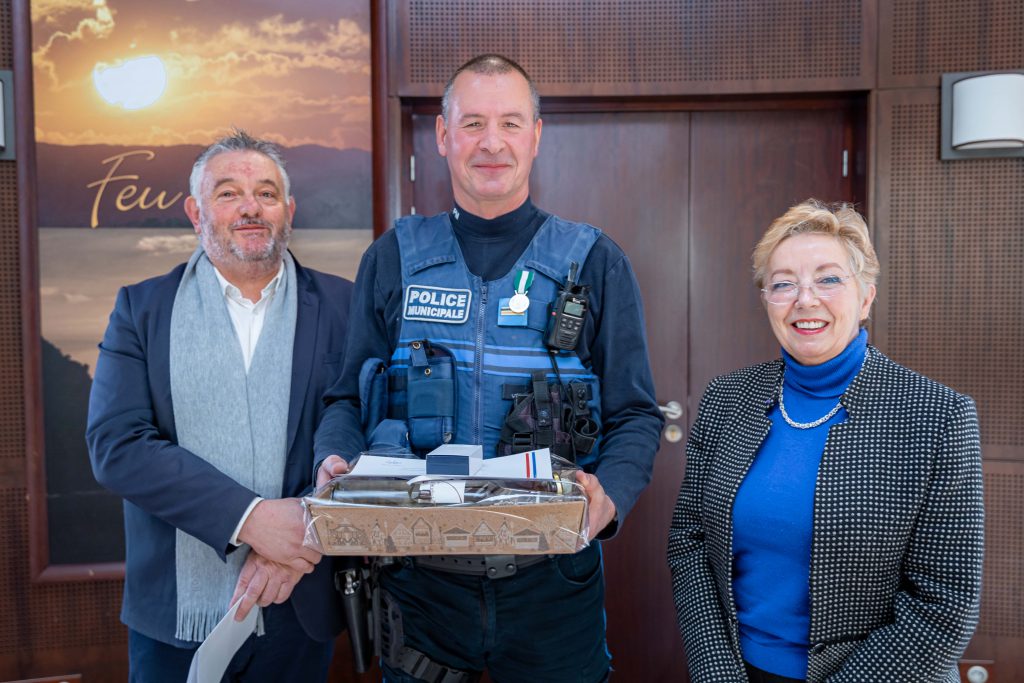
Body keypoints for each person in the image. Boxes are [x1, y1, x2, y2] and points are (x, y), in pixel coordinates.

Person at [314, 54, 664, 682]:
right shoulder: (392, 258)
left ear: (536, 135)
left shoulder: (595, 261)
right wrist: (334, 460)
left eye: (510, 122)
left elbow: (636, 413)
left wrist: (609, 497)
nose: (492, 143)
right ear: (443, 135)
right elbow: (346, 398)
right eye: (473, 123)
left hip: (552, 580)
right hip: (418, 581)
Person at [667, 199, 984, 683]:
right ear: (767, 301)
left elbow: (946, 604)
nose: (805, 299)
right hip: (737, 669)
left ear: (866, 297)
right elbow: (689, 540)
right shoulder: (727, 398)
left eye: (828, 279)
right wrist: (716, 671)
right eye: (783, 283)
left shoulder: (937, 416)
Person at [86, 130, 353, 682]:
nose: (250, 207)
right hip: (176, 615)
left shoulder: (343, 305)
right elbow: (117, 445)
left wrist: (294, 539)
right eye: (228, 193)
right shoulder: (142, 309)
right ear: (196, 212)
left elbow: (363, 423)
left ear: (288, 211)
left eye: (266, 193)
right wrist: (252, 520)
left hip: (300, 597)